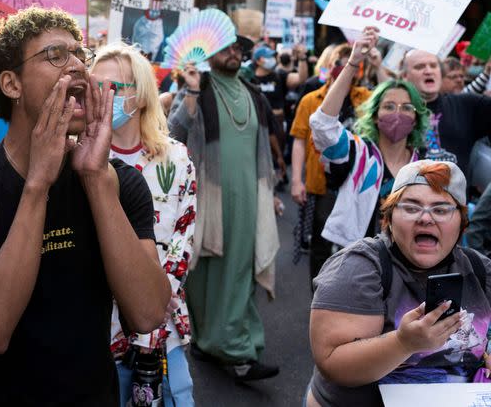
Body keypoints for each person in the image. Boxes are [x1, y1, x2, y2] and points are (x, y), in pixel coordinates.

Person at [0, 6, 170, 405]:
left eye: (79, 55)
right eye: (55, 56)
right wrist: (37, 185)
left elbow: (148, 313)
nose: (76, 67)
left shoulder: (120, 182)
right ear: (11, 84)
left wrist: (96, 181)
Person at [307, 160, 491, 407]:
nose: (425, 218)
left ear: (461, 223)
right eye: (411, 207)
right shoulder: (359, 267)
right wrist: (403, 343)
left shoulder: (480, 269)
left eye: (441, 209)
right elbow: (332, 363)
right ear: (390, 219)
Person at [168, 29, 281, 380]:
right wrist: (189, 90)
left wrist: (273, 192)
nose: (233, 52)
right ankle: (207, 341)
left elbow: (264, 147)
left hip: (251, 197)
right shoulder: (196, 88)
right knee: (203, 276)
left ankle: (237, 351)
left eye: (238, 48)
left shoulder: (252, 92)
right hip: (207, 197)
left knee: (241, 271)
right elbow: (173, 134)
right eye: (225, 48)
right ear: (208, 54)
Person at [91, 44, 196, 406]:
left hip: (164, 326)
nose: (103, 96)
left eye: (114, 87)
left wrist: (157, 296)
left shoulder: (176, 158)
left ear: (140, 94)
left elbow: (184, 233)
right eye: (94, 86)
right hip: (99, 331)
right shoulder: (78, 161)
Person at [309, 27, 430, 254]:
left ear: (415, 118)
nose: (397, 113)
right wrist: (353, 62)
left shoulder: (423, 164)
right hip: (357, 258)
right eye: (388, 107)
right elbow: (322, 125)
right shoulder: (357, 152)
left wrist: (379, 66)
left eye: (406, 108)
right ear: (374, 116)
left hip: (407, 262)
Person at [290, 43, 373, 277]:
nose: (344, 68)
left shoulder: (368, 99)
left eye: (351, 63)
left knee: (359, 246)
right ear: (328, 66)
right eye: (339, 63)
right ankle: (319, 300)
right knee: (321, 245)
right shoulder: (310, 100)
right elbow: (298, 139)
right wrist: (297, 180)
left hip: (358, 185)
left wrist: (377, 63)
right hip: (322, 185)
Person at [401, 49, 491, 173]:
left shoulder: (468, 105)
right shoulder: (394, 111)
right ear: (405, 76)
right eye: (419, 67)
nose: (428, 71)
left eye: (433, 66)